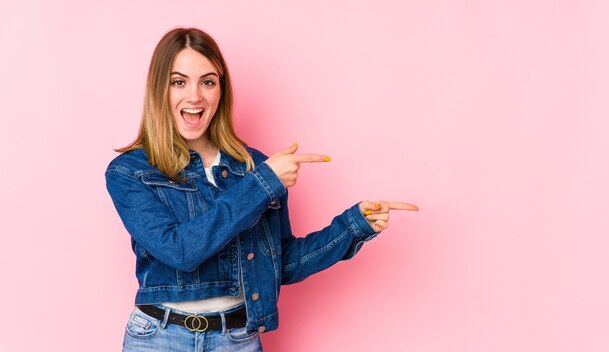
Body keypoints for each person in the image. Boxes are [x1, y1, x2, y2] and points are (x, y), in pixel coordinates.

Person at [105, 27, 418, 352]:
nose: (194, 96)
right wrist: (263, 184)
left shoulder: (255, 167)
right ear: (160, 89)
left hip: (236, 339)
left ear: (220, 91)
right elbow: (181, 252)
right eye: (178, 82)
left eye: (207, 82)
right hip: (159, 338)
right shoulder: (131, 172)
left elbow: (279, 264)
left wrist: (354, 226)